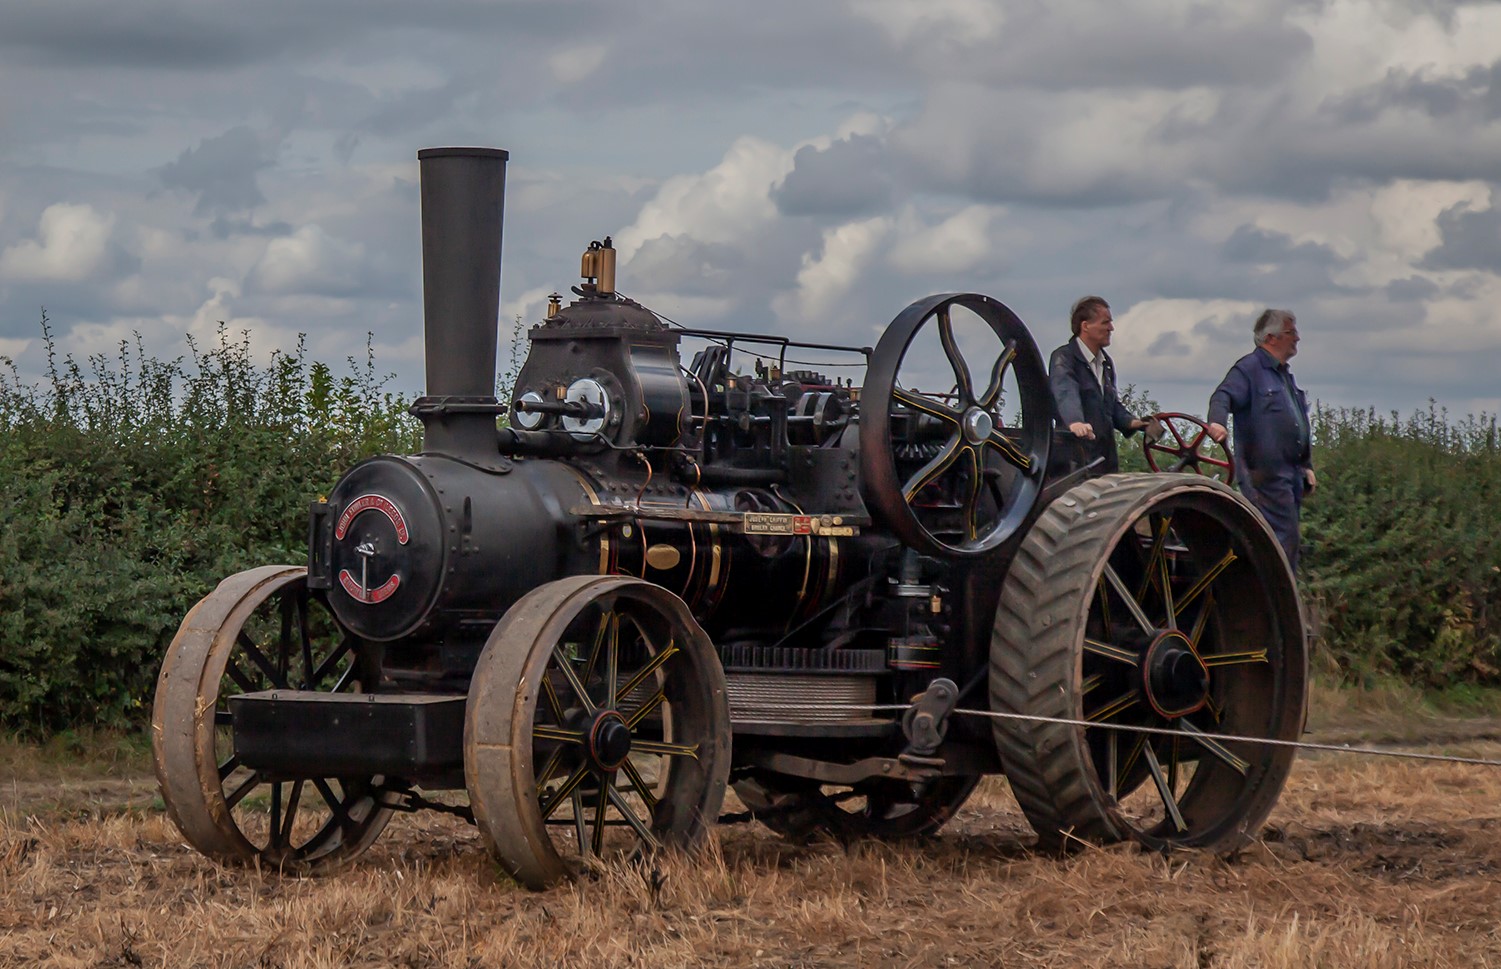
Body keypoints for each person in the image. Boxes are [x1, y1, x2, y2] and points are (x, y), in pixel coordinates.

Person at [1206, 308, 1316, 570]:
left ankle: (1282, 601)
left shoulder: (1283, 375)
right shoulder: (1249, 370)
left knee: (1289, 540)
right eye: (1291, 332)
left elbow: (1298, 423)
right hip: (1264, 475)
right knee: (1280, 540)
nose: (1297, 338)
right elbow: (1222, 396)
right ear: (1271, 338)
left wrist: (1307, 466)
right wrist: (1217, 422)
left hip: (1290, 474)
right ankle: (1275, 604)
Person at [1048, 295, 1154, 474]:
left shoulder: (1106, 363)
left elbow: (1111, 405)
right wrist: (1075, 422)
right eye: (1106, 322)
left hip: (1104, 459)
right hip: (1075, 459)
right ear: (1085, 326)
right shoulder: (1064, 358)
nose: (1111, 328)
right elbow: (1065, 391)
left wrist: (1135, 423)